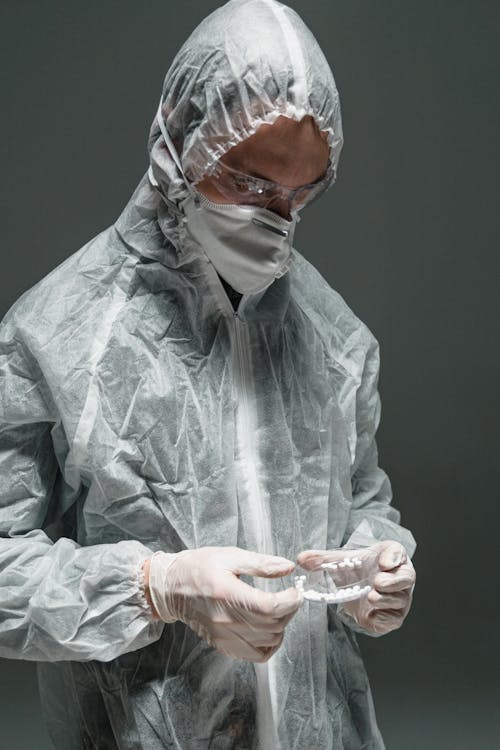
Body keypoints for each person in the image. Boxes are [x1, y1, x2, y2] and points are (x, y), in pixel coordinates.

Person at [0, 0, 416, 747]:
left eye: (300, 195)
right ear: (176, 136)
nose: (275, 219)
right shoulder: (57, 336)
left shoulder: (335, 338)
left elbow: (362, 498)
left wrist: (377, 562)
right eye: (252, 185)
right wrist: (160, 587)